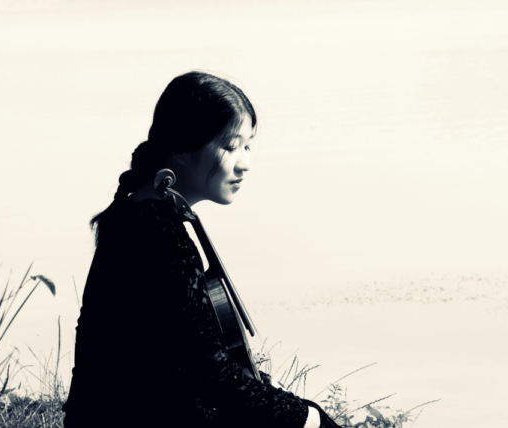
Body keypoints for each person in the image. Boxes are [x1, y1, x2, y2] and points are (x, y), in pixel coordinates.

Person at [62, 71, 340, 428]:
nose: (245, 163)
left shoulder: (133, 213)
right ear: (181, 146)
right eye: (230, 146)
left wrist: (271, 392)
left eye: (248, 145)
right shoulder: (159, 236)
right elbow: (213, 376)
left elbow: (182, 360)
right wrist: (307, 417)